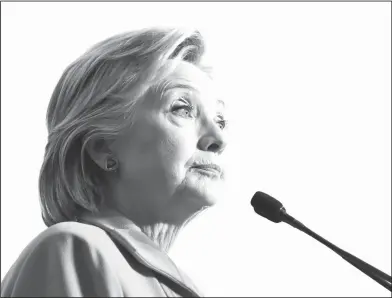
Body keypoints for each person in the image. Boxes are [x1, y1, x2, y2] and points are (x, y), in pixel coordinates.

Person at [1, 27, 228, 297]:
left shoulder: (188, 287)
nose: (218, 139)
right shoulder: (75, 248)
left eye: (220, 120)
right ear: (102, 148)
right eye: (182, 108)